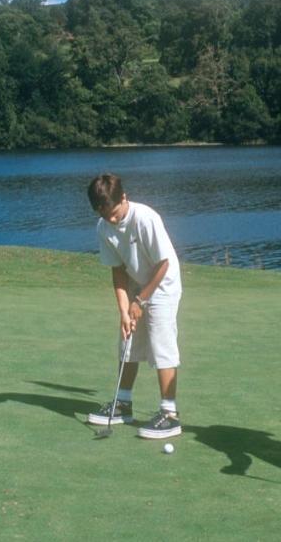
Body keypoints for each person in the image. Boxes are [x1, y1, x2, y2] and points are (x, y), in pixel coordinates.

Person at [85, 173, 184, 439]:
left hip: (162, 283)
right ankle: (123, 404)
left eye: (115, 213)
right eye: (105, 215)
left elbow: (163, 265)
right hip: (135, 283)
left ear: (124, 198)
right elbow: (117, 271)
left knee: (161, 342)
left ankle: (169, 414)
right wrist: (124, 310)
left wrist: (140, 301)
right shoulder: (103, 227)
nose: (112, 220)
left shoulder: (145, 219)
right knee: (127, 341)